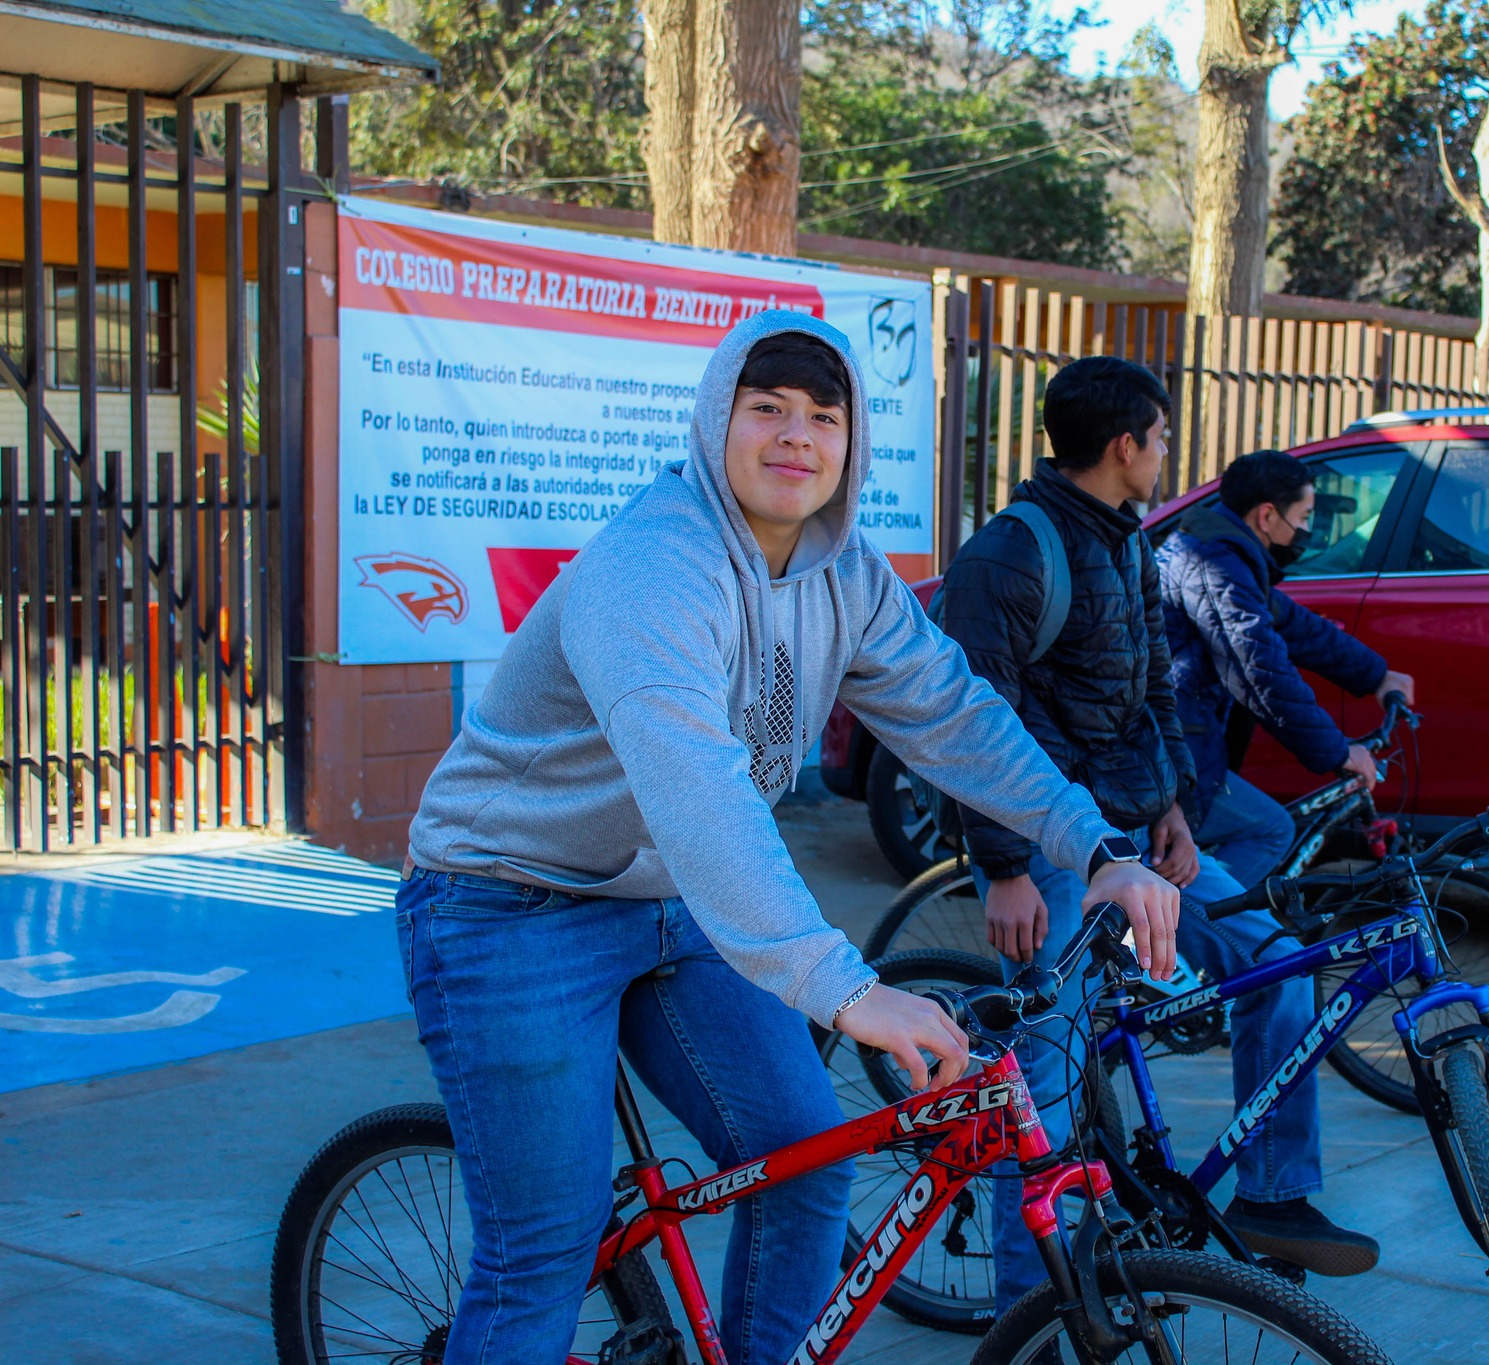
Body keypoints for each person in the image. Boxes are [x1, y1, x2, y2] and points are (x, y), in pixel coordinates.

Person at [399, 313, 1180, 1365]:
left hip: (671, 900)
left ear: (851, 443)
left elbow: (956, 717)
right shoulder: (651, 568)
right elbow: (700, 796)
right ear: (716, 418)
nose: (794, 436)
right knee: (542, 1251)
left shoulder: (847, 577)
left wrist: (1092, 848)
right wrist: (847, 989)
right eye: (764, 408)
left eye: (823, 415)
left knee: (806, 1166)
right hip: (507, 904)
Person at [940, 356, 1379, 1309]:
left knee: (1280, 964)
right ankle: (1044, 1309)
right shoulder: (1010, 555)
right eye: (1164, 436)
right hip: (1051, 854)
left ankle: (1274, 1196)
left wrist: (1174, 809)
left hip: (1141, 838)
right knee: (1045, 1098)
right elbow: (971, 723)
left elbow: (1151, 695)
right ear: (1125, 443)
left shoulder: (1132, 540)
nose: (1171, 453)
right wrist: (1006, 867)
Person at [1157, 449, 1415, 887]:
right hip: (1171, 756)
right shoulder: (1213, 563)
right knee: (1269, 830)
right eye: (1304, 516)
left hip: (1182, 746)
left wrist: (1375, 675)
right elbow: (1261, 672)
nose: (1307, 530)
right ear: (1267, 516)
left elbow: (1295, 626)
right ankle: (1186, 936)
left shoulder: (1219, 549)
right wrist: (1336, 751)